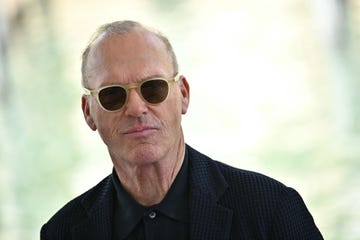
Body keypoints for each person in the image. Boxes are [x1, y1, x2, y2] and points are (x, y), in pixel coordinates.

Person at [40, 20, 323, 240]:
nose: (136, 108)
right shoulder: (61, 233)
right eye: (113, 95)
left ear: (183, 95)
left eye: (153, 88)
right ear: (89, 112)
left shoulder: (271, 210)